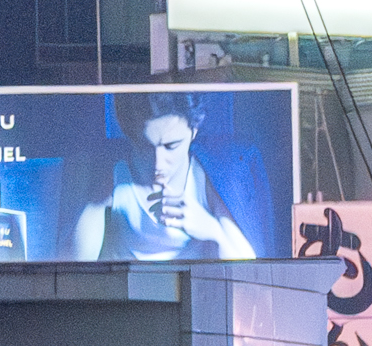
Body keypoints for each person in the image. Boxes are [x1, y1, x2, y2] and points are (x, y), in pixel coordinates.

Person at [72, 97, 257, 262]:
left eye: (171, 146)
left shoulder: (203, 178)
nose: (158, 164)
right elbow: (74, 265)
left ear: (193, 131)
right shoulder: (116, 177)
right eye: (145, 147)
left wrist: (212, 228)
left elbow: (249, 268)